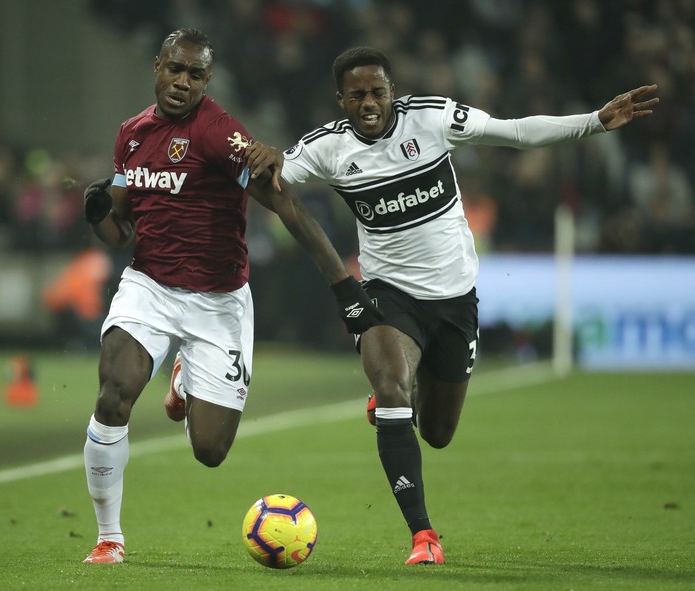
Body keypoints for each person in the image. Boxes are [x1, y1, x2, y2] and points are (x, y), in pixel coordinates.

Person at [249, 46, 658, 565]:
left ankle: (396, 399)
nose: (369, 102)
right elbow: (273, 179)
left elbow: (514, 132)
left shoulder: (434, 116)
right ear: (341, 100)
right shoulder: (326, 148)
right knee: (394, 390)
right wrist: (259, 159)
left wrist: (594, 123)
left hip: (455, 300)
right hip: (388, 295)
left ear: (392, 90)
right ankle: (423, 535)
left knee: (438, 433)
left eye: (378, 91)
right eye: (357, 95)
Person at [79, 29, 380, 564]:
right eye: (174, 69)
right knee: (113, 393)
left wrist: (343, 284)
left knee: (211, 451)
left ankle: (185, 376)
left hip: (218, 301)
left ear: (207, 81)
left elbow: (286, 206)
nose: (181, 82)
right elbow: (119, 231)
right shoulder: (131, 134)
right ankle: (109, 537)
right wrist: (98, 209)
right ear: (157, 67)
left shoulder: (219, 133)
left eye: (195, 75)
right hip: (149, 286)